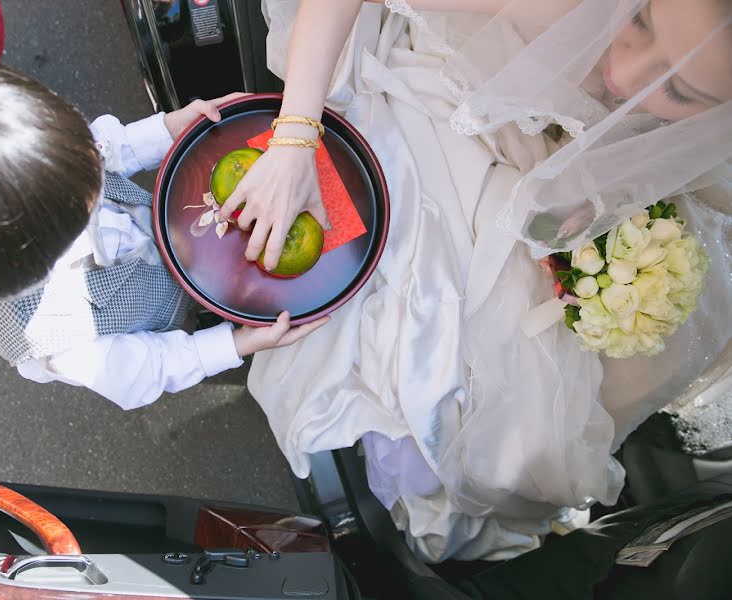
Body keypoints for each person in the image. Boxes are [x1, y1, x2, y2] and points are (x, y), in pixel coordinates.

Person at [230, 0, 732, 562]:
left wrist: (600, 218)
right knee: (441, 345)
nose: (629, 73)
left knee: (549, 407)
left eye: (684, 94)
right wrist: (296, 135)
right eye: (639, 22)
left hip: (542, 178)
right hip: (444, 98)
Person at [0, 45, 328, 410]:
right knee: (198, 311)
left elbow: (107, 149)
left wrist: (168, 127)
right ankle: (201, 309)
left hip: (170, 232)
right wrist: (235, 343)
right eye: (83, 183)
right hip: (157, 306)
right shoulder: (62, 343)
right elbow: (145, 366)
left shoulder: (36, 161)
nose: (94, 167)